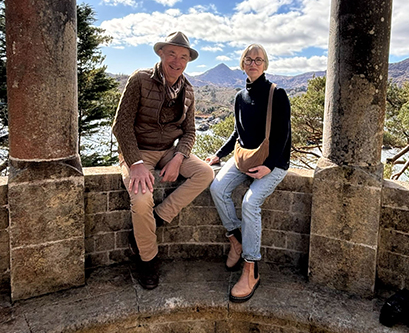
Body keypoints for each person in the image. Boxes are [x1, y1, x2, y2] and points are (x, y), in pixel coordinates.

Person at [112, 31, 215, 290]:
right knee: (141, 197)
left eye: (183, 56)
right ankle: (148, 260)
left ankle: (158, 218)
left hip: (169, 151)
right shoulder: (140, 80)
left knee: (205, 173)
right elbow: (121, 125)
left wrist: (179, 157)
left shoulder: (188, 90)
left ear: (188, 60)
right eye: (172, 53)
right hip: (138, 152)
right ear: (161, 53)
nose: (177, 61)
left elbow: (190, 132)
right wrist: (134, 163)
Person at [206, 44, 291, 302]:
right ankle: (236, 239)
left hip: (273, 163)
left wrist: (269, 166)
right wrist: (219, 155)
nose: (253, 63)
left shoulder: (278, 94)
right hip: (245, 158)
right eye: (248, 59)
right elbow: (237, 133)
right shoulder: (240, 97)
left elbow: (283, 135)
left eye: (258, 59)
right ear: (243, 64)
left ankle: (251, 268)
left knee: (250, 202)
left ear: (265, 64)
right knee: (217, 188)